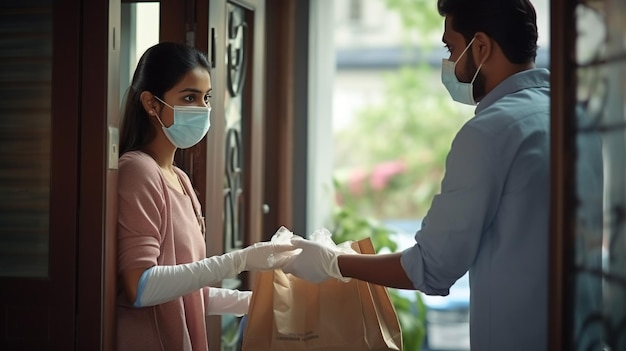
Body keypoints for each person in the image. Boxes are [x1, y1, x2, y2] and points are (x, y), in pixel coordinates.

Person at [283, 0, 552, 350]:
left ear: (481, 47)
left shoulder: (492, 131)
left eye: (451, 48)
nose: (450, 62)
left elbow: (431, 267)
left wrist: (333, 262)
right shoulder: (572, 120)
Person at [116, 42, 295, 351]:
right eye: (189, 97)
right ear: (151, 104)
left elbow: (189, 292)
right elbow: (141, 287)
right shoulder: (137, 171)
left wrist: (260, 303)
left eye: (206, 98)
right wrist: (239, 260)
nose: (202, 108)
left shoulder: (181, 180)